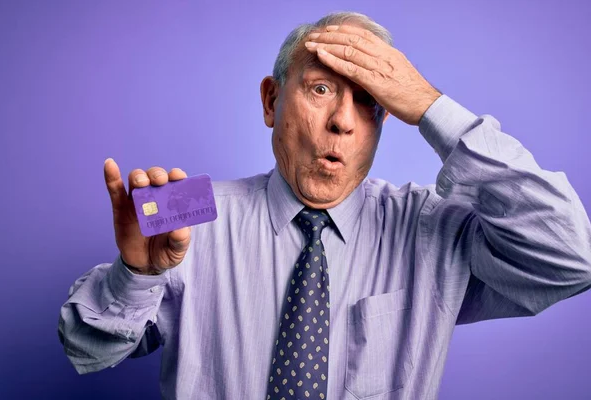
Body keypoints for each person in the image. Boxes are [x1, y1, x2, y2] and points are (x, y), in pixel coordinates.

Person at [58, 11, 591, 400]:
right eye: (319, 89)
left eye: (368, 101)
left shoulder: (429, 228)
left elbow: (571, 258)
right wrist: (136, 275)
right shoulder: (192, 213)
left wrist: (431, 107)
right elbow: (88, 350)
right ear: (272, 101)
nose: (343, 120)